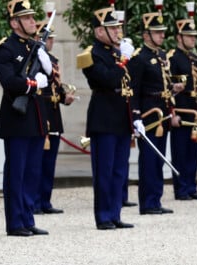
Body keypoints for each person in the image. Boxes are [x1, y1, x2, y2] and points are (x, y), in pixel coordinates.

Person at [0, 0, 52, 236]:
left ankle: (28, 218)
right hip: (16, 118)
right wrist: (32, 83)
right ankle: (15, 223)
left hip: (35, 118)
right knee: (16, 173)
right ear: (14, 22)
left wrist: (48, 65)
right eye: (26, 18)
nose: (32, 21)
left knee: (32, 172)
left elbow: (50, 81)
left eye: (32, 17)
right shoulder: (5, 49)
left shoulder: (34, 47)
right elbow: (8, 81)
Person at [78, 7, 135, 230]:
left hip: (122, 117)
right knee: (104, 170)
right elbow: (106, 80)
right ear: (100, 31)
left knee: (120, 170)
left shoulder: (115, 52)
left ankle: (115, 214)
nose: (118, 32)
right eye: (113, 28)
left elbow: (130, 85)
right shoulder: (90, 54)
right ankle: (103, 216)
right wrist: (124, 60)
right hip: (103, 118)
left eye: (118, 28)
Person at [128, 11, 181, 215]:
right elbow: (133, 90)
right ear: (146, 35)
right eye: (156, 32)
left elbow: (165, 86)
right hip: (149, 115)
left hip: (163, 114)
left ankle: (156, 199)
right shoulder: (139, 58)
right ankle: (147, 202)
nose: (161, 36)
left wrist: (172, 98)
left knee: (159, 160)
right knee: (149, 160)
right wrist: (136, 116)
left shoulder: (160, 56)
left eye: (162, 32)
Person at [34, 21, 76, 215]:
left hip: (54, 115)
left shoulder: (52, 60)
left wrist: (64, 98)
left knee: (49, 164)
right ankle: (34, 202)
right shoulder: (34, 58)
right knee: (36, 164)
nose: (51, 42)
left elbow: (56, 87)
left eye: (51, 39)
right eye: (48, 38)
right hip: (40, 113)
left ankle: (45, 201)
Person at [168, 19, 197, 201]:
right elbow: (169, 87)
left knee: (194, 150)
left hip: (194, 109)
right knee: (181, 152)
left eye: (194, 36)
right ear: (179, 37)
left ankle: (191, 186)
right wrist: (173, 112)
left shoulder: (192, 57)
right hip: (182, 110)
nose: (193, 40)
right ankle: (181, 188)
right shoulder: (173, 57)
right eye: (189, 36)